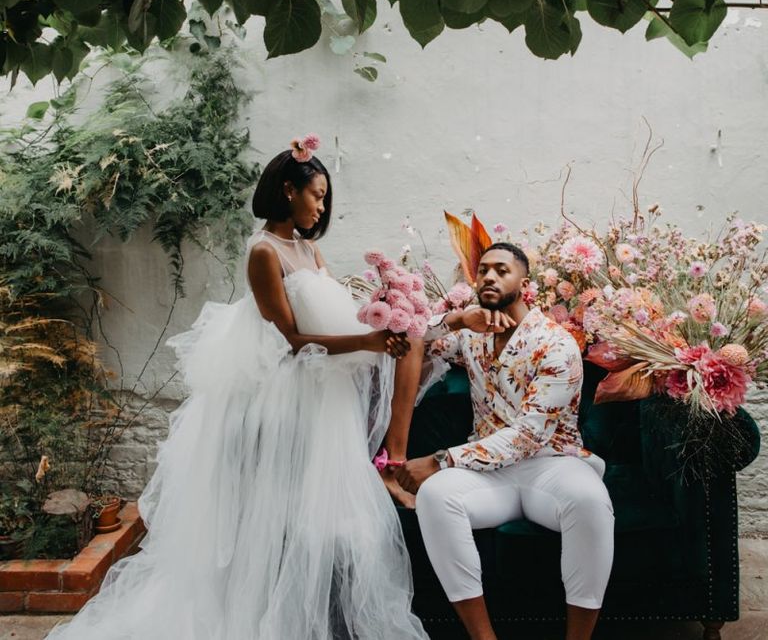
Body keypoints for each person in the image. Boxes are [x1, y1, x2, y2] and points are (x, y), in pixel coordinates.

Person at [47, 136, 428, 640]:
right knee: (280, 514)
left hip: (321, 397)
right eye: (317, 195)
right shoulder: (264, 252)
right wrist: (370, 339)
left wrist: (387, 316)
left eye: (325, 197)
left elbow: (336, 314)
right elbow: (291, 339)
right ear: (288, 191)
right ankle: (265, 616)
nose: (322, 206)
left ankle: (319, 616)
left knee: (324, 517)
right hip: (285, 396)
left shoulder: (310, 249)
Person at [395, 242, 615, 640]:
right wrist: (460, 319)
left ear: (524, 283)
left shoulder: (557, 343)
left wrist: (442, 459)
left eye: (501, 270)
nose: (489, 277)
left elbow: (528, 436)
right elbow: (416, 336)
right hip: (488, 476)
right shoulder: (472, 336)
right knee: (435, 496)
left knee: (590, 500)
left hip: (552, 464)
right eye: (483, 271)